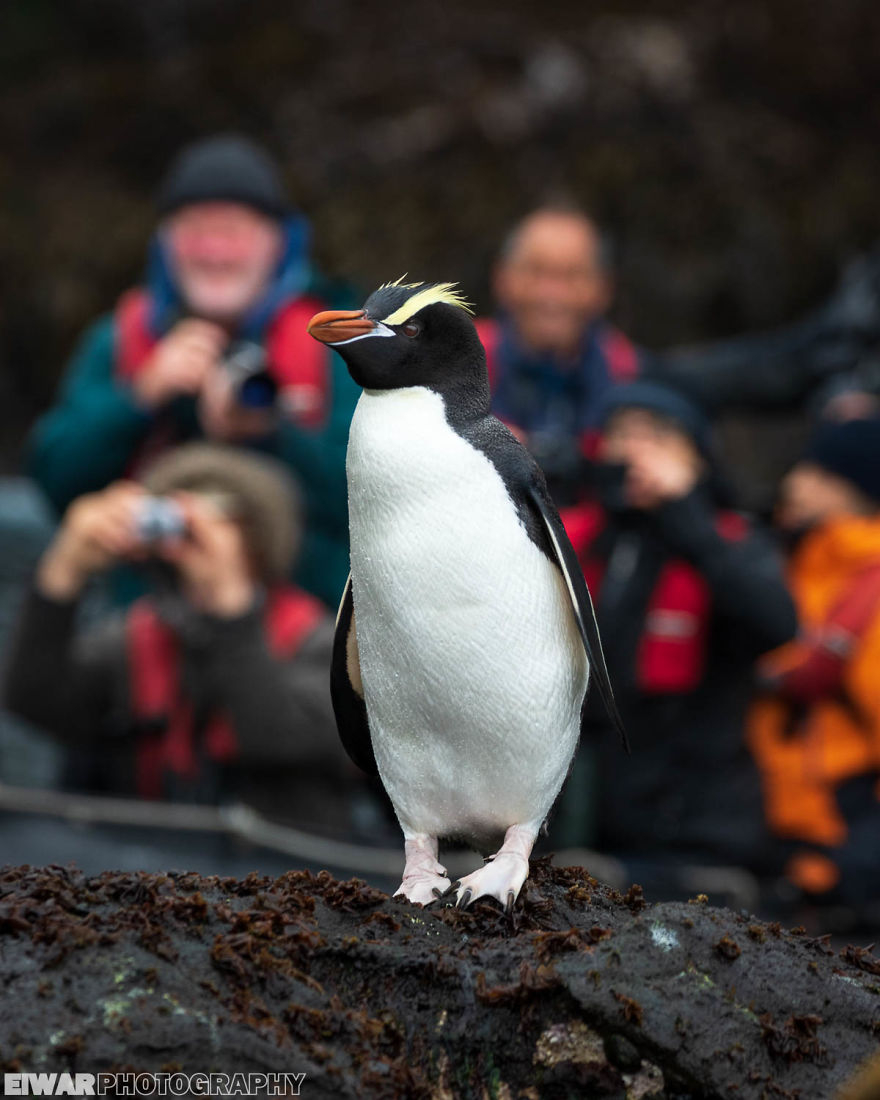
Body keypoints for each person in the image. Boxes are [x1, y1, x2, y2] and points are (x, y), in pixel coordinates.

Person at [26, 134, 359, 608]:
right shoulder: (120, 339)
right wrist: (140, 398)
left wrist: (269, 431)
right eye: (197, 232)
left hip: (300, 633)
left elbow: (376, 498)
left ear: (279, 243)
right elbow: (53, 482)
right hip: (144, 620)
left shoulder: (336, 338)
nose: (215, 252)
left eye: (234, 232)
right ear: (165, 243)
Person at [2, 444, 356, 836]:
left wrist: (231, 605)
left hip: (286, 875)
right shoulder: (136, 638)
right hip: (148, 873)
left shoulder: (320, 642)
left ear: (259, 539)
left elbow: (276, 738)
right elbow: (34, 701)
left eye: (220, 521)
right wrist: (63, 574)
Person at [554, 382, 797, 875]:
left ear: (698, 460)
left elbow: (777, 623)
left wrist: (686, 514)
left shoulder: (731, 542)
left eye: (659, 436)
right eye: (622, 434)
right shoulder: (576, 536)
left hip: (695, 829)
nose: (636, 450)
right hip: (586, 819)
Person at [748, 419, 880, 907]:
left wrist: (861, 855)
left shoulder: (864, 579)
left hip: (843, 838)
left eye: (821, 474)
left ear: (859, 491)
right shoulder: (799, 561)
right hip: (786, 838)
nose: (795, 483)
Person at [476, 206, 641, 505]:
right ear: (501, 278)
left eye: (573, 275)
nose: (551, 294)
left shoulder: (628, 373)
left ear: (604, 288)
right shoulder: (457, 362)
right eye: (535, 271)